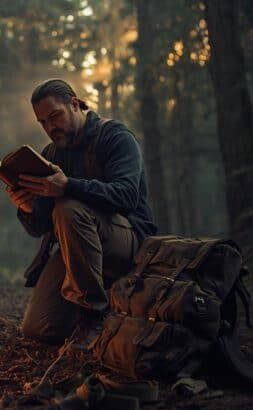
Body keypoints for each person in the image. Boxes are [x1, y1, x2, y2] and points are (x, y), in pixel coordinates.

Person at [8, 79, 158, 345]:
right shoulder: (51, 155)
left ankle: (93, 314)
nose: (50, 127)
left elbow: (127, 196)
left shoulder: (115, 136)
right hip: (76, 249)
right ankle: (105, 314)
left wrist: (68, 186)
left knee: (68, 208)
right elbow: (40, 228)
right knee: (37, 329)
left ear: (75, 104)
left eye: (55, 116)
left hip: (129, 243)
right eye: (42, 122)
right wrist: (27, 207)